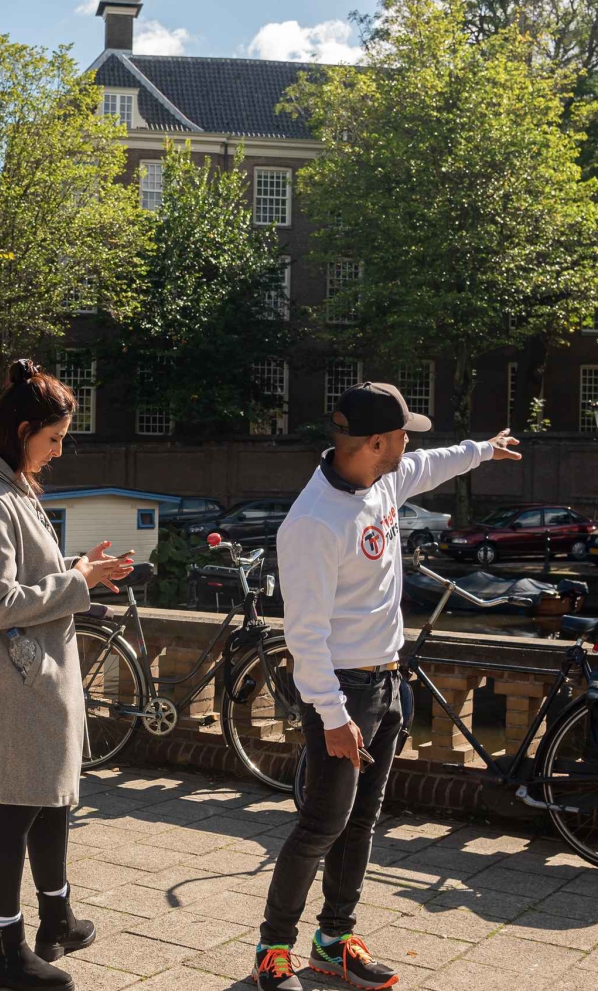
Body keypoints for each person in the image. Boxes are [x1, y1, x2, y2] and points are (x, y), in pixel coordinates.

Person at [252, 383, 522, 991]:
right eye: (402, 435)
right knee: (321, 824)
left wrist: (483, 448)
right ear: (376, 442)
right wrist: (332, 715)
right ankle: (272, 951)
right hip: (342, 693)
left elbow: (430, 465)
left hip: (386, 681)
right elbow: (305, 638)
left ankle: (334, 941)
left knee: (360, 822)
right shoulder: (313, 523)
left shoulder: (383, 479)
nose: (409, 444)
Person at [0, 361, 136, 991]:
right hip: (14, 683)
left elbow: (27, 581)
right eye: (52, 438)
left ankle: (57, 918)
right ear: (23, 429)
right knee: (14, 813)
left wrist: (80, 569)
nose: (58, 451)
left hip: (34, 679)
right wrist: (80, 581)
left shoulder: (11, 485)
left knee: (51, 799)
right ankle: (4, 951)